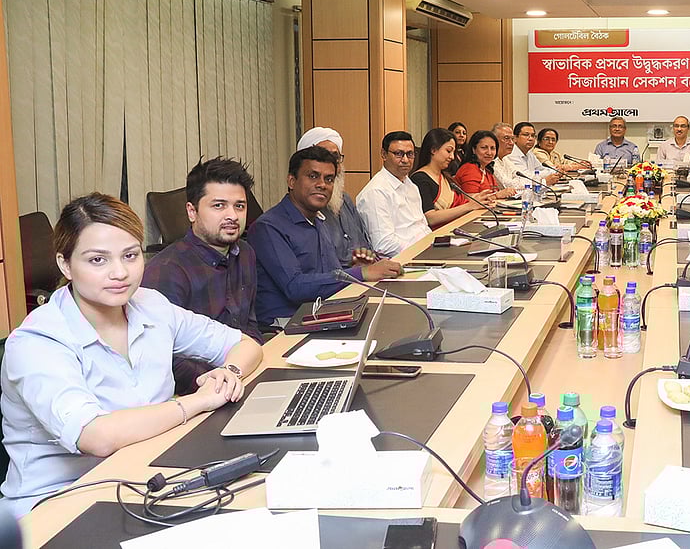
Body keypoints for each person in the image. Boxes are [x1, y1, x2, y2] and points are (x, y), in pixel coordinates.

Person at [0, 193, 264, 517]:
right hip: (57, 505)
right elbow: (95, 435)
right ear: (65, 264)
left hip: (144, 478)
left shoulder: (150, 304)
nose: (120, 273)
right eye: (98, 260)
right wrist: (199, 400)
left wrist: (229, 373)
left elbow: (245, 345)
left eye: (130, 255)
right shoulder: (37, 341)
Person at [142, 157, 262, 394]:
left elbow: (250, 326)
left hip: (245, 370)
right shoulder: (167, 271)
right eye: (219, 206)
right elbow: (166, 360)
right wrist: (219, 384)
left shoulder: (245, 253)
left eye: (239, 206)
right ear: (191, 211)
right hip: (201, 392)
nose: (232, 216)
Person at [249, 146, 403, 326]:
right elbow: (295, 287)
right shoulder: (268, 227)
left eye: (329, 179)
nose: (322, 184)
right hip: (286, 325)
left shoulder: (318, 221)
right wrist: (360, 273)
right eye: (313, 176)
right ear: (291, 181)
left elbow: (330, 274)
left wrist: (355, 268)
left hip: (325, 313)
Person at [296, 127, 375, 269]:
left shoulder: (345, 200)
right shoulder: (306, 213)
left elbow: (365, 245)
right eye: (323, 157)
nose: (331, 164)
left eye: (335, 157)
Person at [355, 131, 433, 257]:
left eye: (410, 154)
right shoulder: (376, 192)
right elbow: (383, 244)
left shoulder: (411, 185)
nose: (405, 160)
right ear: (384, 155)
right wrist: (423, 251)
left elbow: (422, 226)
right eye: (398, 154)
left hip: (425, 253)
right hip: (403, 261)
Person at [410, 128, 492, 229]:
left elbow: (458, 202)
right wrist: (469, 206)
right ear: (433, 150)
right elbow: (430, 218)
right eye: (448, 151)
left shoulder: (445, 176)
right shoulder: (420, 179)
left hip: (458, 226)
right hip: (439, 235)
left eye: (453, 152)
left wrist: (478, 199)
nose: (452, 157)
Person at [456, 130, 516, 198]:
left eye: (492, 148)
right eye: (484, 148)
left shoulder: (487, 170)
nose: (489, 153)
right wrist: (497, 195)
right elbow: (471, 199)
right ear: (474, 149)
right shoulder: (469, 169)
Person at [491, 122, 523, 194]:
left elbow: (522, 176)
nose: (511, 143)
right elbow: (506, 185)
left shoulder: (505, 159)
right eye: (506, 138)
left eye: (512, 139)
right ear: (494, 140)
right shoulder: (490, 161)